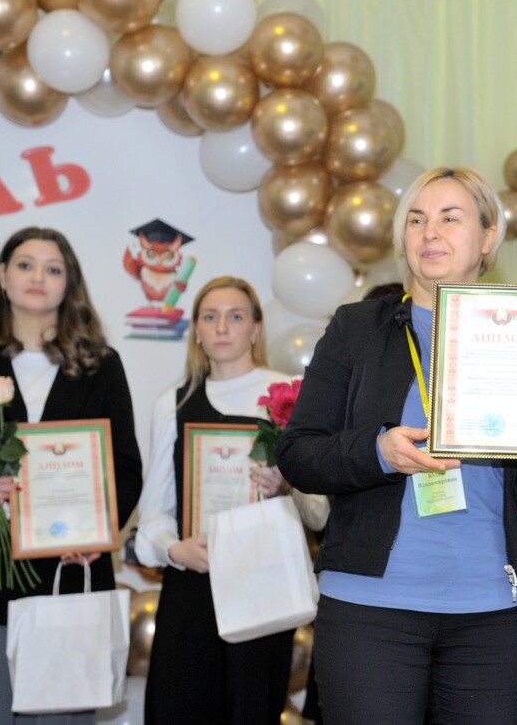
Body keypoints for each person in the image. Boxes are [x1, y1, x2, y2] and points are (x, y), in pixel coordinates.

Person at [276, 166, 517, 725]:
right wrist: (379, 452)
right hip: (371, 611)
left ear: (488, 237)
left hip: (493, 613)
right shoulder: (356, 327)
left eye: (450, 218)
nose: (430, 232)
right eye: (416, 220)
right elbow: (298, 454)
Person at [0, 226, 142, 725]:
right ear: (2, 275)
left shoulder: (102, 365)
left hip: (66, 576)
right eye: (25, 265)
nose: (38, 277)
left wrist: (95, 534)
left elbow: (124, 468)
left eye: (53, 269)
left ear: (68, 282)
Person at [135, 276, 329, 724]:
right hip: (192, 583)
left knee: (251, 711)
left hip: (262, 587)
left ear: (256, 328)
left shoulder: (288, 396)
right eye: (210, 317)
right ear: (196, 331)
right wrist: (174, 549)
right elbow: (154, 513)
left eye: (235, 316)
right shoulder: (174, 403)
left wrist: (286, 485)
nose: (222, 327)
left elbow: (319, 510)